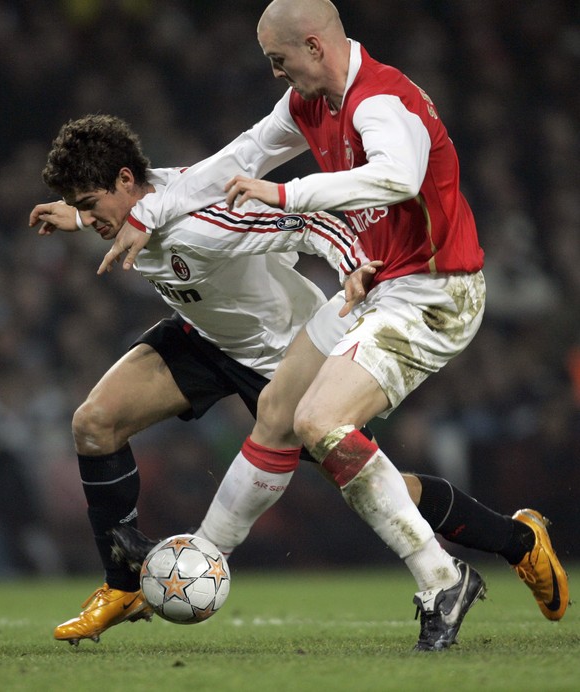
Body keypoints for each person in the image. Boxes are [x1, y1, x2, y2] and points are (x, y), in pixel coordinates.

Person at [95, 0, 569, 651]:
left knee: (321, 424)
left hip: (432, 292)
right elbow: (241, 154)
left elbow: (397, 178)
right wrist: (152, 212)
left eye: (279, 61)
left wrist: (287, 194)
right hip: (376, 283)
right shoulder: (308, 104)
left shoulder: (382, 102)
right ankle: (205, 557)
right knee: (279, 414)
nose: (275, 74)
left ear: (315, 46)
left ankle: (442, 580)